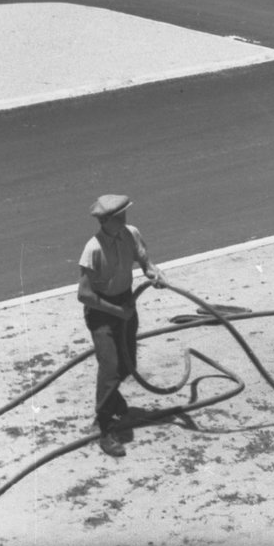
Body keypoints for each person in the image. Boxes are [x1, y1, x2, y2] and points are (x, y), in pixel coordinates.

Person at [76, 194, 166, 458]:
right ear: (106, 220)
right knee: (111, 367)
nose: (125, 218)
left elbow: (145, 262)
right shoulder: (92, 249)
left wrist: (155, 274)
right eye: (120, 216)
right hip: (101, 312)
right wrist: (117, 311)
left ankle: (113, 399)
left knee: (128, 366)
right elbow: (84, 295)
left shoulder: (131, 233)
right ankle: (104, 427)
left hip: (126, 303)